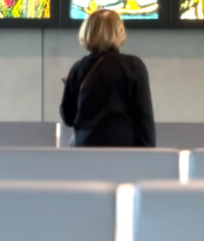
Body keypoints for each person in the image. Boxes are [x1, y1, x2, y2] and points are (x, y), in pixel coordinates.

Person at [60, 9, 156, 147]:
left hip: (85, 150)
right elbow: (144, 118)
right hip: (124, 152)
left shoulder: (78, 68)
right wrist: (150, 156)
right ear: (119, 32)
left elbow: (69, 118)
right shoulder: (134, 66)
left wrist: (71, 87)